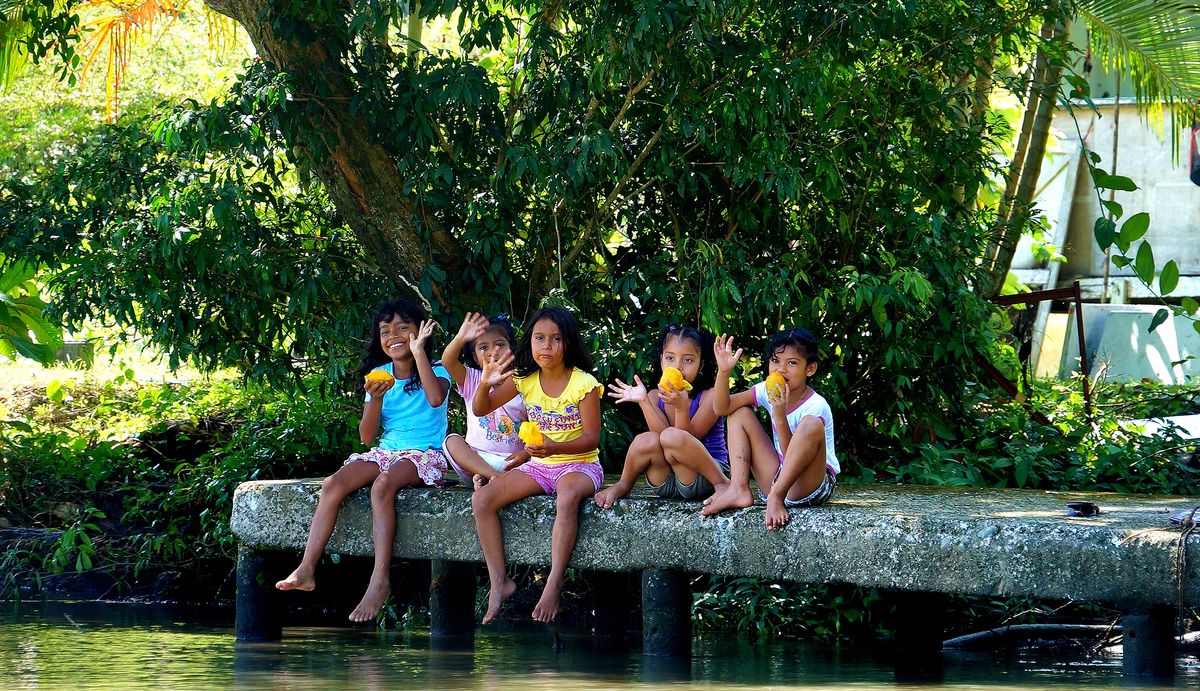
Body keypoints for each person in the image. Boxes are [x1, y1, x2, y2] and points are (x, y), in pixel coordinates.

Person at [275, 299, 452, 621]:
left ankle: (379, 579)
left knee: (383, 486)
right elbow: (367, 438)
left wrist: (419, 353)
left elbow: (436, 398)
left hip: (426, 453)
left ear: (419, 332)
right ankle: (306, 568)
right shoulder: (379, 375)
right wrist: (376, 399)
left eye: (403, 328)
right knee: (333, 484)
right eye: (386, 331)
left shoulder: (439, 370)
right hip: (386, 450)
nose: (394, 336)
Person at [470, 305, 603, 624]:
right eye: (539, 338)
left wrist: (553, 447)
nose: (546, 346)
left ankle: (554, 583)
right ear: (529, 343)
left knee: (568, 495)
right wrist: (485, 382)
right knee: (482, 500)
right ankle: (499, 581)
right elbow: (480, 409)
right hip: (541, 465)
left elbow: (591, 438)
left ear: (568, 343)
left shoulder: (583, 383)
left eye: (556, 339)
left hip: (580, 465)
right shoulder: (524, 380)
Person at [700, 328, 839, 529]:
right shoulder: (767, 388)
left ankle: (775, 497)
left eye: (792, 363)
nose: (780, 370)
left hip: (811, 484)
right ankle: (738, 488)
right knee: (739, 413)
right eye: (775, 361)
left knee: (811, 424)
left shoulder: (816, 406)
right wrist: (723, 372)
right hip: (778, 477)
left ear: (810, 368)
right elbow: (723, 408)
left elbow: (792, 454)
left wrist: (779, 414)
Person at [594, 324, 728, 508]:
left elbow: (685, 442)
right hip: (667, 481)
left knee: (671, 436)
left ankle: (723, 484)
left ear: (701, 365)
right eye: (670, 358)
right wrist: (644, 402)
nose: (677, 366)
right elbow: (660, 441)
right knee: (646, 440)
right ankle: (623, 484)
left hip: (706, 477)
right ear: (661, 360)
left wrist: (681, 408)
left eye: (688, 360)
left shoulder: (710, 396)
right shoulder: (654, 396)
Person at [440, 312, 528, 487]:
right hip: (477, 460)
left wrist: (525, 454)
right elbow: (447, 362)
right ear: (474, 357)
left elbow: (537, 425)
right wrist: (460, 337)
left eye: (500, 344)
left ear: (512, 348)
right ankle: (492, 476)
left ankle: (486, 480)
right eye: (483, 347)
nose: (492, 352)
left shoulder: (524, 381)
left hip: (514, 462)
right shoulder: (472, 378)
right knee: (451, 441)